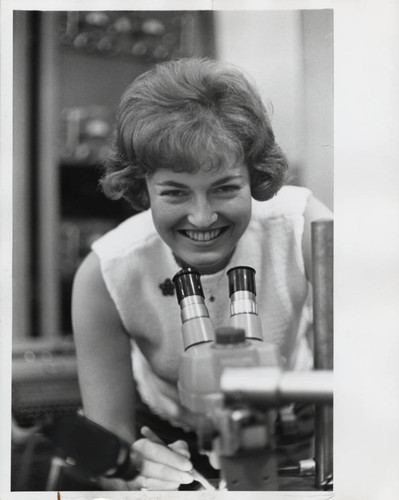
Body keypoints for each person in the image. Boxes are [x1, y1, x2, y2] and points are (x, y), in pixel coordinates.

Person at [72, 57, 333, 491]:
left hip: (296, 430)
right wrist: (135, 469)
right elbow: (110, 451)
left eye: (226, 187)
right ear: (141, 188)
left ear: (256, 177)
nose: (202, 216)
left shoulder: (306, 228)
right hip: (170, 443)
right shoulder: (105, 274)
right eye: (174, 192)